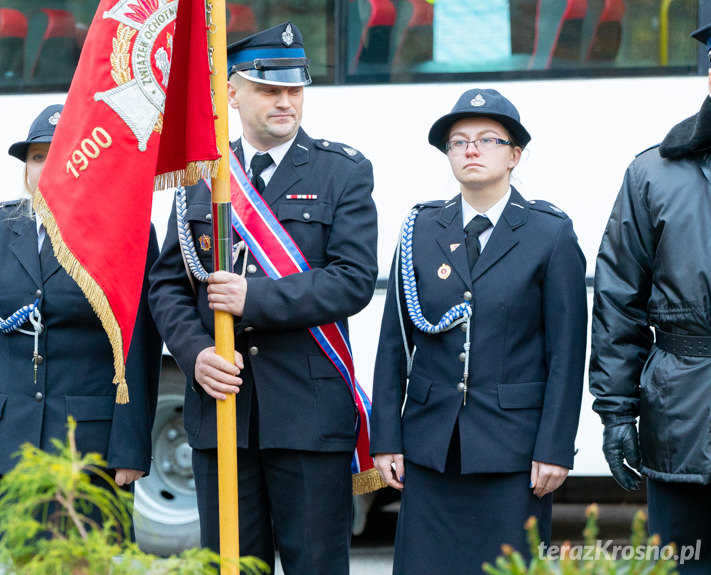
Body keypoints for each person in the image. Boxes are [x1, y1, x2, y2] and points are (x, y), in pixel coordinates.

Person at [148, 21, 378, 574]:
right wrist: (195, 352)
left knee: (315, 565)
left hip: (306, 412)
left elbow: (353, 279)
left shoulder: (340, 171)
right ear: (231, 91)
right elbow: (168, 284)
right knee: (230, 565)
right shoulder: (202, 175)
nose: (285, 102)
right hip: (222, 409)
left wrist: (256, 297)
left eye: (294, 89)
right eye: (269, 88)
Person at [370, 89, 587, 573]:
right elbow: (394, 345)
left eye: (488, 139)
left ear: (515, 154)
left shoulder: (549, 234)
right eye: (458, 141)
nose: (471, 149)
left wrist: (554, 448)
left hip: (513, 452)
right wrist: (386, 438)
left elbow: (567, 355)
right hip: (430, 448)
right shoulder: (420, 229)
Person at [0, 104, 161, 544]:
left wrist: (131, 448)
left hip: (88, 443)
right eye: (36, 156)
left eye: (60, 152)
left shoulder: (127, 232)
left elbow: (139, 349)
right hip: (10, 438)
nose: (46, 166)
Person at [588, 23, 711, 575]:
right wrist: (617, 414)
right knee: (687, 564)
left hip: (680, 406)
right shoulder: (654, 172)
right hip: (684, 413)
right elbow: (618, 299)